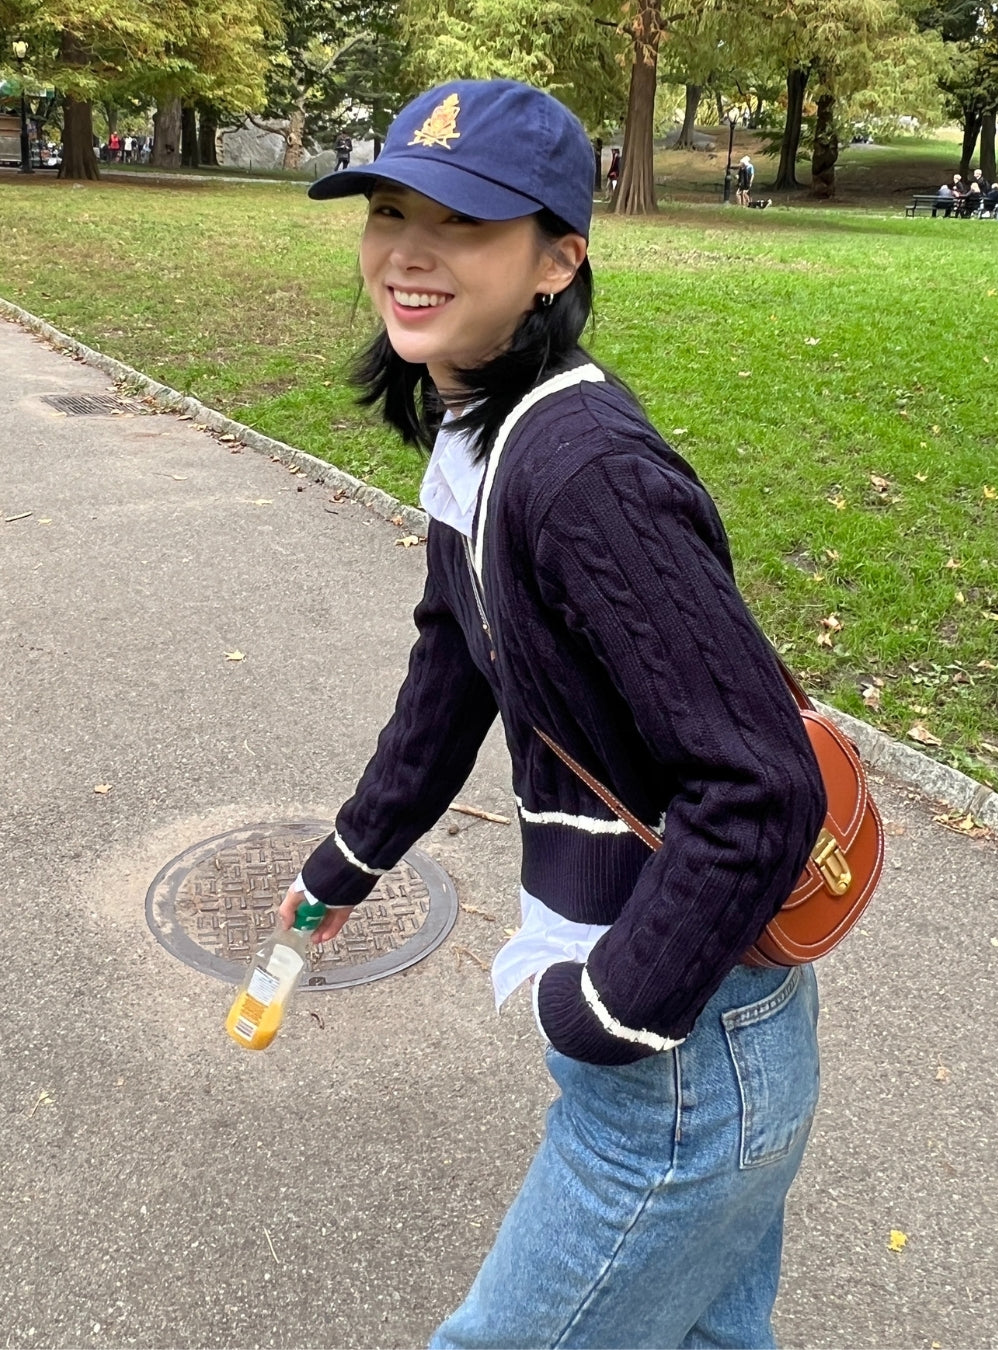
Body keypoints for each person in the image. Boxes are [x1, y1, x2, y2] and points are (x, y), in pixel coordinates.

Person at [290, 78, 826, 1350]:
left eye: (462, 225)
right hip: (692, 1022)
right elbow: (453, 667)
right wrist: (349, 860)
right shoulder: (477, 427)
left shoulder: (583, 474)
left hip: (684, 1047)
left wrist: (608, 1014)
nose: (406, 254)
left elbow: (762, 786)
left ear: (556, 260)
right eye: (388, 210)